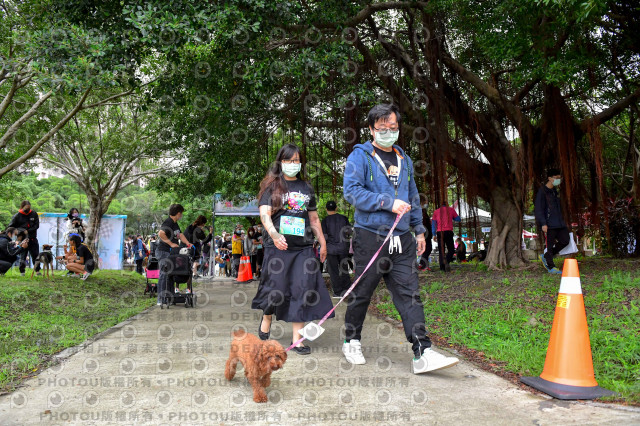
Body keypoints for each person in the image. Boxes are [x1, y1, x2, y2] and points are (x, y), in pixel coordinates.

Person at [342, 103, 459, 374]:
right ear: (371, 129)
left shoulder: (403, 158)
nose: (388, 132)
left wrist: (419, 229)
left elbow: (412, 196)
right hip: (371, 236)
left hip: (402, 238)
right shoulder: (360, 156)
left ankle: (422, 352)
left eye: (393, 128)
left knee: (409, 294)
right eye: (382, 129)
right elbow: (352, 192)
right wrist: (386, 202)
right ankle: (352, 340)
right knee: (362, 293)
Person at [251, 143, 334, 355]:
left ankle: (298, 339)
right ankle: (267, 315)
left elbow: (314, 218)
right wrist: (274, 234)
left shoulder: (306, 188)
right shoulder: (272, 186)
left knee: (301, 288)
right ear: (281, 162)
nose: (293, 164)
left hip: (302, 248)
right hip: (278, 246)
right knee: (276, 289)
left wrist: (322, 241)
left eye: (296, 160)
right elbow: (265, 215)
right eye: (288, 160)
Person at [156, 204, 192, 306]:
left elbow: (180, 235)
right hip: (163, 251)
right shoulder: (168, 222)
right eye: (181, 213)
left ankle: (170, 297)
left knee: (171, 274)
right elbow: (161, 233)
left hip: (170, 252)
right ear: (178, 213)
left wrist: (188, 243)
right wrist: (171, 243)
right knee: (164, 274)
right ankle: (161, 299)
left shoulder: (175, 224)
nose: (181, 216)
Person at [534, 168, 569, 274]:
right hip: (549, 224)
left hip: (560, 223)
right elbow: (539, 209)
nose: (559, 180)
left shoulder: (555, 191)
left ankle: (546, 257)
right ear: (549, 178)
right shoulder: (542, 192)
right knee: (549, 246)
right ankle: (551, 267)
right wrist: (543, 223)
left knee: (565, 240)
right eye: (556, 178)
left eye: (560, 178)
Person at [321, 200, 352, 298]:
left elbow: (324, 236)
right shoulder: (344, 218)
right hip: (343, 248)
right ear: (336, 208)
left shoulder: (325, 220)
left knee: (333, 270)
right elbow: (349, 232)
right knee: (344, 268)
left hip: (331, 249)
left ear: (326, 209)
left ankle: (337, 292)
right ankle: (347, 290)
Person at [8, 201, 41, 276]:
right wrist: (21, 231)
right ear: (22, 207)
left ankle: (37, 271)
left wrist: (28, 231)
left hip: (32, 238)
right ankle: (22, 271)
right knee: (23, 256)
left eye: (29, 207)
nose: (28, 209)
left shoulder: (34, 214)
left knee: (35, 255)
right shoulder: (17, 216)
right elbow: (11, 226)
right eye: (26, 207)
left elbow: (36, 226)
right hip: (22, 239)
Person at [431, 201, 461, 272]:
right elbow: (458, 219)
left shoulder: (436, 211)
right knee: (451, 249)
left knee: (441, 250)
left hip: (439, 232)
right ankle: (447, 260)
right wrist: (452, 217)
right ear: (447, 204)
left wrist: (434, 234)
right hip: (448, 232)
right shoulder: (451, 210)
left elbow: (433, 224)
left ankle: (442, 267)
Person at [417, 203, 434, 271]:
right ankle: (424, 265)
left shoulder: (425, 218)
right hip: (425, 236)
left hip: (427, 236)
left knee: (427, 250)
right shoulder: (422, 218)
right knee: (427, 250)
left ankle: (422, 264)